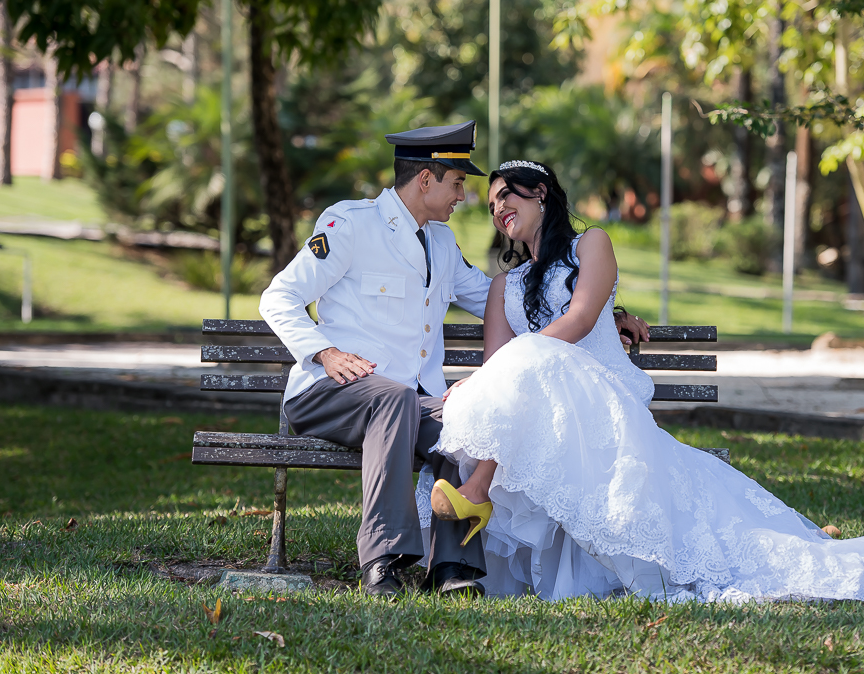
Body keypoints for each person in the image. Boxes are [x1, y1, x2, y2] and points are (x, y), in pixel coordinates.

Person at [425, 160, 864, 603]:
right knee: (516, 367)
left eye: (508, 196)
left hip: (600, 400)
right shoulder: (505, 286)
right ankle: (473, 501)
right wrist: (481, 385)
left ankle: (477, 493)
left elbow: (579, 318)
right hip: (542, 413)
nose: (498, 208)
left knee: (529, 361)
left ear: (541, 194)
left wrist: (526, 360)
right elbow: (499, 362)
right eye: (492, 202)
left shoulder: (590, 243)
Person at [259, 123, 650, 599]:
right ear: (426, 179)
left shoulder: (441, 244)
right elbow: (279, 296)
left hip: (403, 402)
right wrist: (324, 351)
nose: (463, 197)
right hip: (328, 391)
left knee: (463, 423)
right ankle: (382, 558)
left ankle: (451, 568)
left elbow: (506, 299)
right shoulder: (350, 224)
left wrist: (608, 309)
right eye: (458, 182)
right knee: (397, 399)